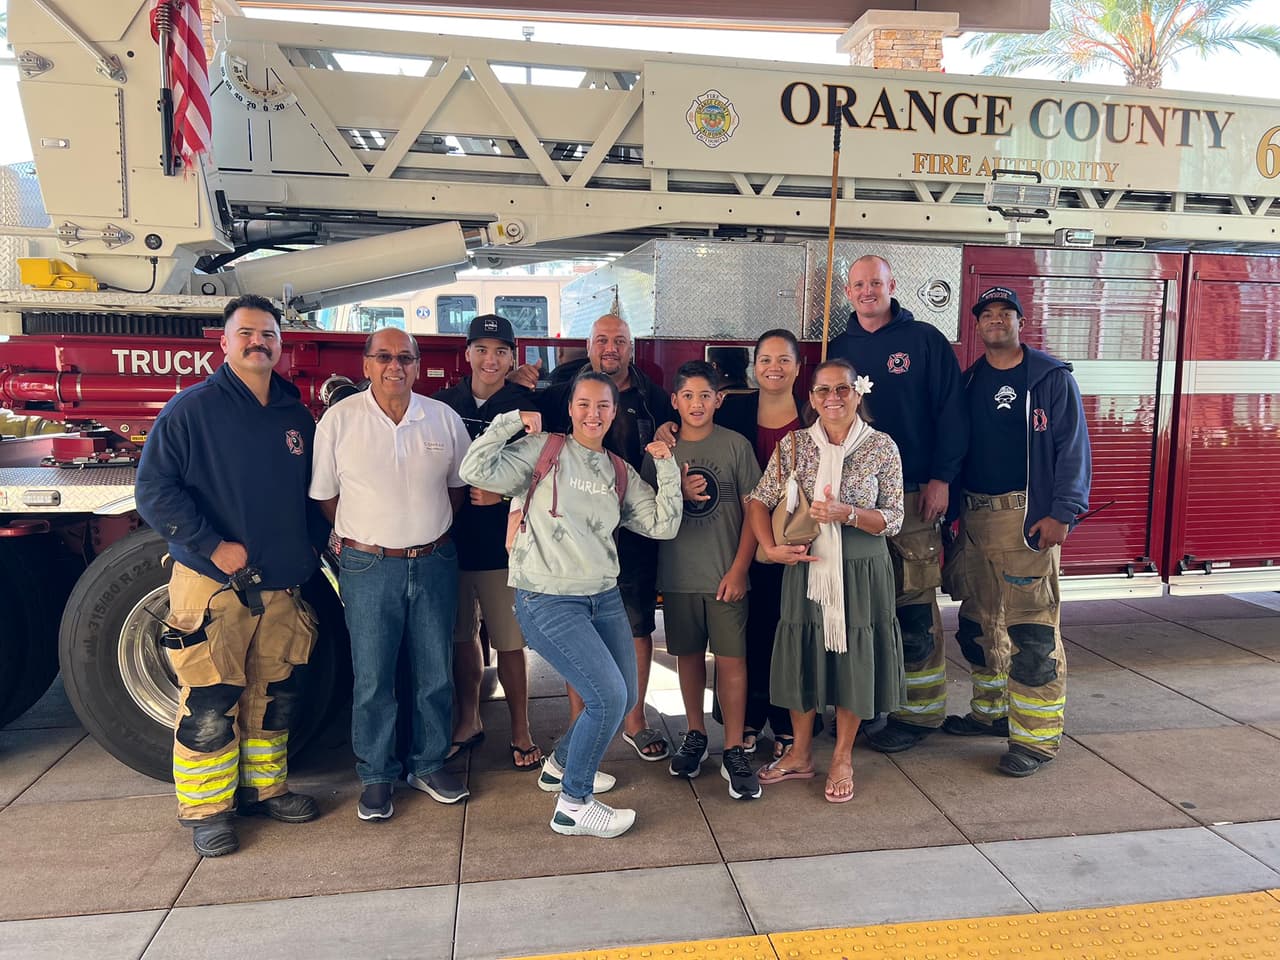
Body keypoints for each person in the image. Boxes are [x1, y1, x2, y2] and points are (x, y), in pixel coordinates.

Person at [136, 294, 327, 858]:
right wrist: (212, 545)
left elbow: (311, 495)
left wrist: (312, 550)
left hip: (281, 589)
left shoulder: (295, 416)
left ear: (280, 344)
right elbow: (154, 491)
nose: (257, 342)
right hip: (214, 586)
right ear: (223, 343)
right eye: (245, 333)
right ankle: (207, 811)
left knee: (273, 697)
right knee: (210, 701)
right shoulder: (191, 410)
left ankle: (267, 791)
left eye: (267, 334)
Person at [459, 370, 682, 837]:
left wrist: (666, 467)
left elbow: (663, 525)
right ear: (571, 408)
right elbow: (473, 471)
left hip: (602, 597)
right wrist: (509, 422)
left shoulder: (617, 470)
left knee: (619, 697)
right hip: (547, 598)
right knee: (608, 696)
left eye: (603, 405)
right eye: (584, 404)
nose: (593, 413)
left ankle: (561, 764)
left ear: (614, 412)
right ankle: (574, 803)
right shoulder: (544, 450)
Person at [310, 326, 472, 821]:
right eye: (383, 357)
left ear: (418, 366)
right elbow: (326, 498)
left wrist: (423, 532)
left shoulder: (441, 418)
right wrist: (368, 538)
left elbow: (459, 488)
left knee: (434, 671)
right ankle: (377, 776)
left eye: (405, 357)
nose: (394, 366)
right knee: (374, 675)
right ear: (366, 365)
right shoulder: (338, 421)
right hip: (368, 564)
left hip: (435, 561)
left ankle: (428, 765)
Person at [945, 286, 1091, 777]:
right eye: (987, 314)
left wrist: (1064, 511)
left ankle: (1036, 741)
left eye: (1005, 313)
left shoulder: (1049, 378)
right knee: (981, 623)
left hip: (1026, 519)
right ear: (977, 326)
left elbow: (1073, 448)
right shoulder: (969, 381)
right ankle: (991, 713)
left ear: (1020, 323)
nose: (996, 320)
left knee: (1031, 630)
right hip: (976, 516)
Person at [747, 359, 905, 803]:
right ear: (810, 397)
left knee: (852, 657)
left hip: (861, 569)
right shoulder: (795, 445)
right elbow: (759, 501)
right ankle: (799, 753)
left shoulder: (881, 447)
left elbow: (894, 518)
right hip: (807, 568)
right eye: (822, 391)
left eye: (842, 390)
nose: (832, 399)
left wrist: (847, 514)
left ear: (859, 393)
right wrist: (771, 549)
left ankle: (841, 756)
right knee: (803, 655)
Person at [827, 255, 967, 754]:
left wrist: (941, 478)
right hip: (849, 502)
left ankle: (920, 713)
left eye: (876, 283)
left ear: (892, 285)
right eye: (859, 284)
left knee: (912, 601)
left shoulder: (924, 341)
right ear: (848, 291)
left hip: (910, 497)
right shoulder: (836, 348)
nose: (868, 292)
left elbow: (952, 412)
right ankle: (865, 703)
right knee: (860, 604)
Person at [532, 314, 677, 762]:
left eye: (619, 340)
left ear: (632, 348)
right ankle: (583, 719)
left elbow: (683, 424)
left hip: (632, 526)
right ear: (589, 346)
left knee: (636, 624)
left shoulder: (653, 396)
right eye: (601, 340)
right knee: (579, 627)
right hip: (574, 532)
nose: (610, 347)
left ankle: (634, 721)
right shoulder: (559, 394)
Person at [643, 361, 762, 799]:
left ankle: (733, 748)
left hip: (725, 575)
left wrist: (739, 568)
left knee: (731, 662)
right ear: (673, 401)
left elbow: (755, 510)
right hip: (678, 576)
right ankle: (695, 734)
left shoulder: (736, 446)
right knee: (688, 658)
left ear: (719, 400)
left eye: (704, 395)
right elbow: (645, 505)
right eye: (687, 396)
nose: (696, 404)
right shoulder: (661, 451)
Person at [434, 314, 543, 771]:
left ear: (513, 359)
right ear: (467, 354)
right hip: (451, 544)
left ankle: (521, 729)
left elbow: (547, 469)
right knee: (462, 638)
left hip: (505, 549)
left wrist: (506, 492)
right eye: (482, 349)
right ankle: (468, 718)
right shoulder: (442, 404)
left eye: (501, 352)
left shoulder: (528, 404)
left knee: (510, 641)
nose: (490, 359)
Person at [714, 329, 813, 759]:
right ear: (754, 366)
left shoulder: (814, 411)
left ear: (797, 366)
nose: (774, 367)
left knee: (791, 629)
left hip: (802, 541)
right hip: (743, 538)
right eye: (766, 359)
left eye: (784, 359)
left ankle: (789, 719)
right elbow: (694, 425)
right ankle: (749, 717)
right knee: (749, 630)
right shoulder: (733, 409)